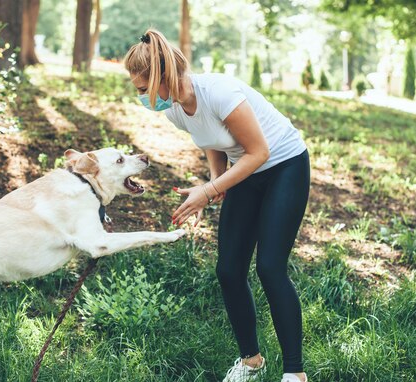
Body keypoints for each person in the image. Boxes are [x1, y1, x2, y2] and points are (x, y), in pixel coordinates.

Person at [123, 29, 310, 382]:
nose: (141, 97)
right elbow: (211, 138)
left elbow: (260, 152)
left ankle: (295, 373)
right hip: (245, 170)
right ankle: (251, 361)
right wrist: (215, 178)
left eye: (141, 89)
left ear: (161, 78)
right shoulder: (175, 110)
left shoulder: (219, 92)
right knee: (228, 270)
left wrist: (209, 191)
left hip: (284, 165)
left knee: (270, 267)